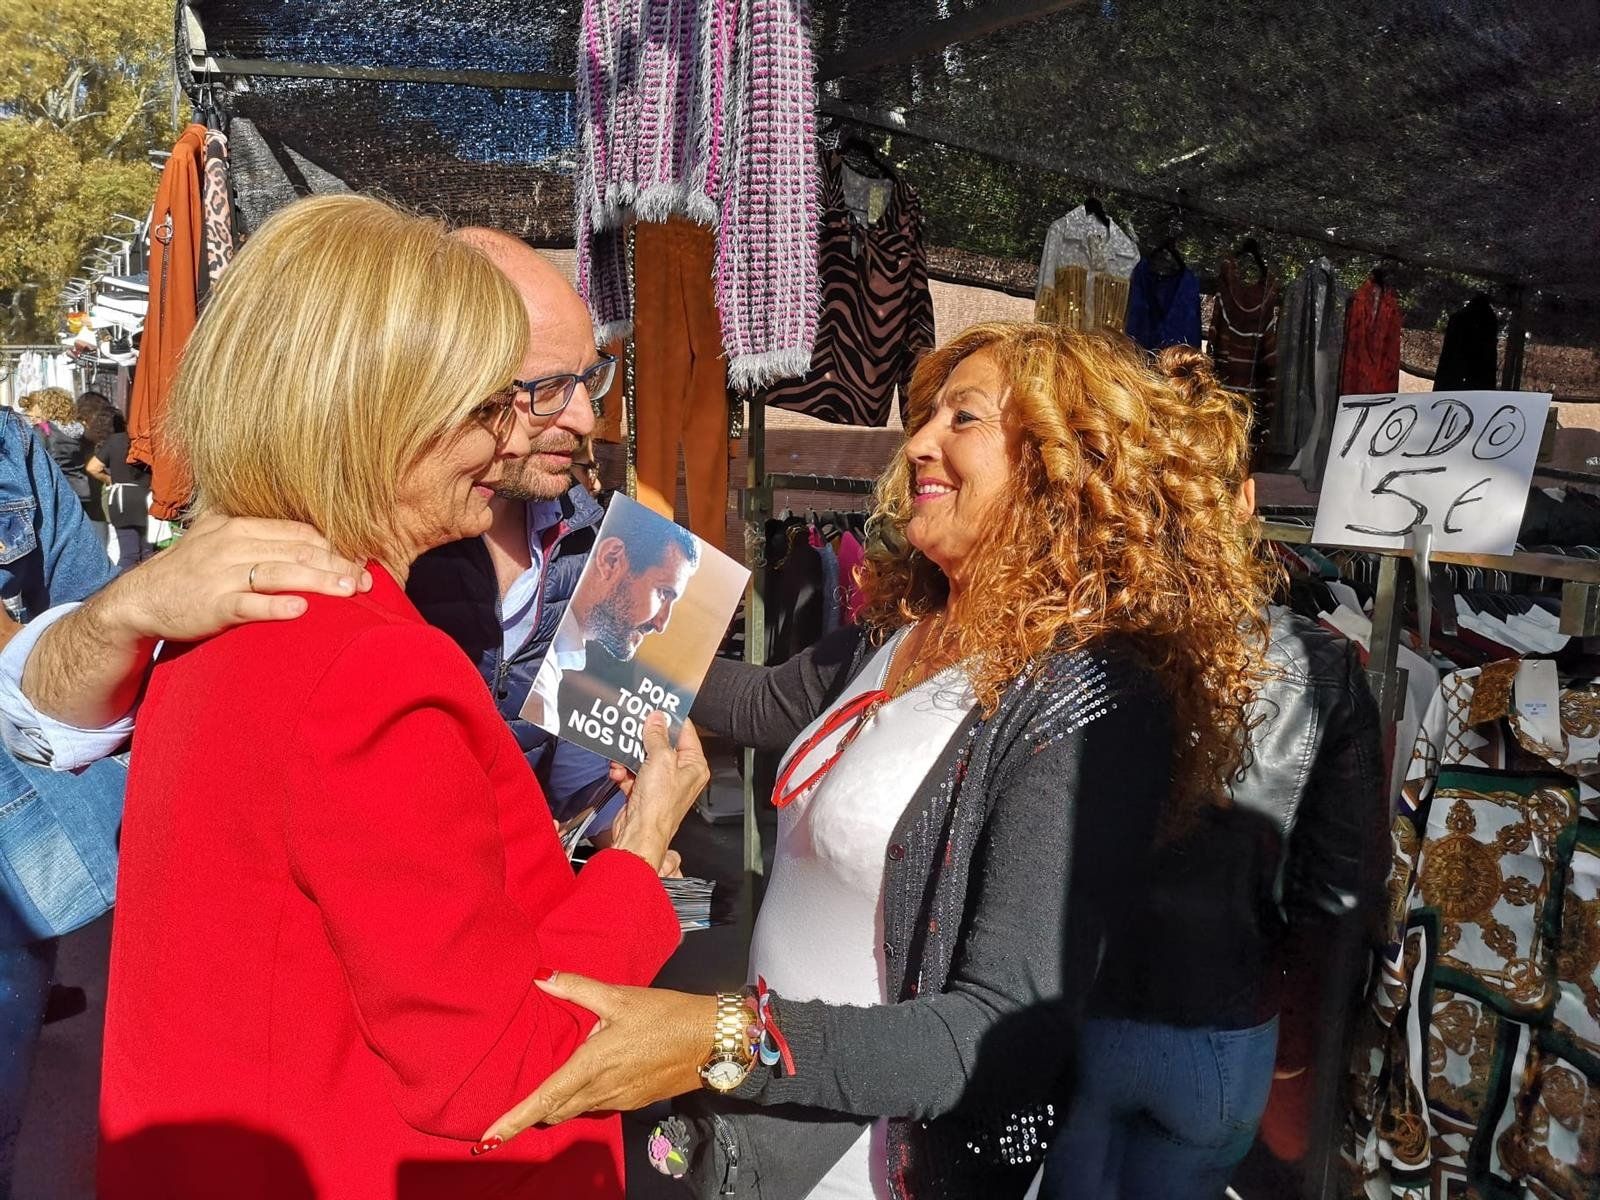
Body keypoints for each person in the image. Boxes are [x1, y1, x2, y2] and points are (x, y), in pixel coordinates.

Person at [473, 322, 1277, 1200]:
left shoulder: (1088, 698)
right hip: (775, 1123)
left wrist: (719, 1038)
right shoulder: (904, 632)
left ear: (1060, 461)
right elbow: (752, 700)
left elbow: (994, 1033)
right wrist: (562, 606)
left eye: (961, 418)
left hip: (874, 1167)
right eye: (926, 415)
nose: (921, 441)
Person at [94, 194, 705, 1200]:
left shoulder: (232, 614)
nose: (515, 440)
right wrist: (639, 865)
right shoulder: (366, 662)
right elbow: (497, 1068)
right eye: (491, 405)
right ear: (376, 414)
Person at [1038, 360, 1389, 1199]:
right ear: (1241, 503)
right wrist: (1300, 1053)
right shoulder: (1325, 664)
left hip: (1075, 1010)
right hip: (1222, 1027)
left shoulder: (1069, 632)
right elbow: (1340, 897)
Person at [404, 228, 628, 824]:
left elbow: (587, 782)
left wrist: (630, 832)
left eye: (589, 380)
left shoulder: (610, 546)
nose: (584, 418)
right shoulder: (372, 544)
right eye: (549, 388)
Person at [525, 501, 701, 736]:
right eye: (663, 593)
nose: (662, 623)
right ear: (611, 560)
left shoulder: (554, 650)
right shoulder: (537, 670)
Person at [85, 409, 154, 572]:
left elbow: (93, 467)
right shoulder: (151, 442)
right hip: (148, 498)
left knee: (128, 554)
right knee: (148, 553)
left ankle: (122, 591)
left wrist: (109, 480)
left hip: (122, 499)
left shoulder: (115, 440)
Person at [22, 389, 95, 538]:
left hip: (57, 494)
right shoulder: (81, 431)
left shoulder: (42, 431)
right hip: (83, 490)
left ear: (47, 406)